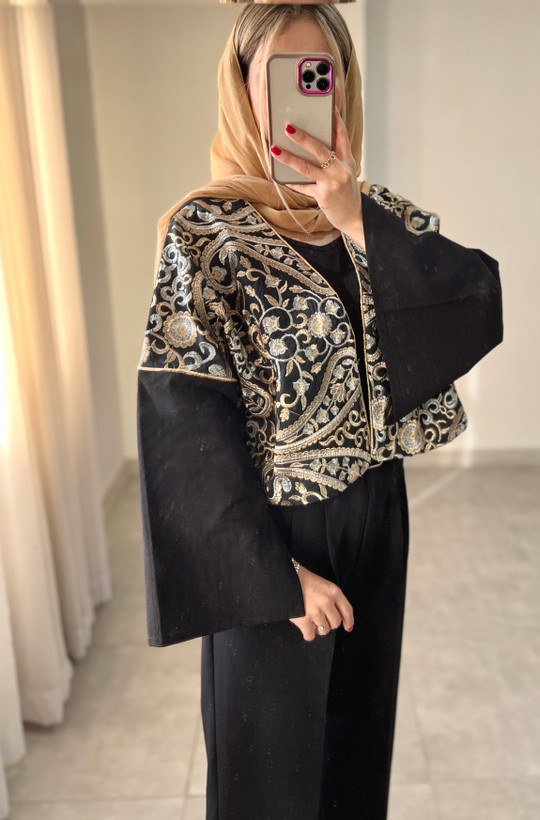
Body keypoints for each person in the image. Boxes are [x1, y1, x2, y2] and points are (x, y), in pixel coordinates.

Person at [136, 4, 502, 819]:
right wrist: (275, 578)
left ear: (343, 87)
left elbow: (476, 305)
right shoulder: (204, 233)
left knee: (353, 757)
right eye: (276, 78)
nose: (301, 99)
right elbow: (185, 424)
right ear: (240, 89)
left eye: (318, 76)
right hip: (270, 535)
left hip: (377, 513)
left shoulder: (375, 215)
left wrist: (355, 221)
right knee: (267, 776)